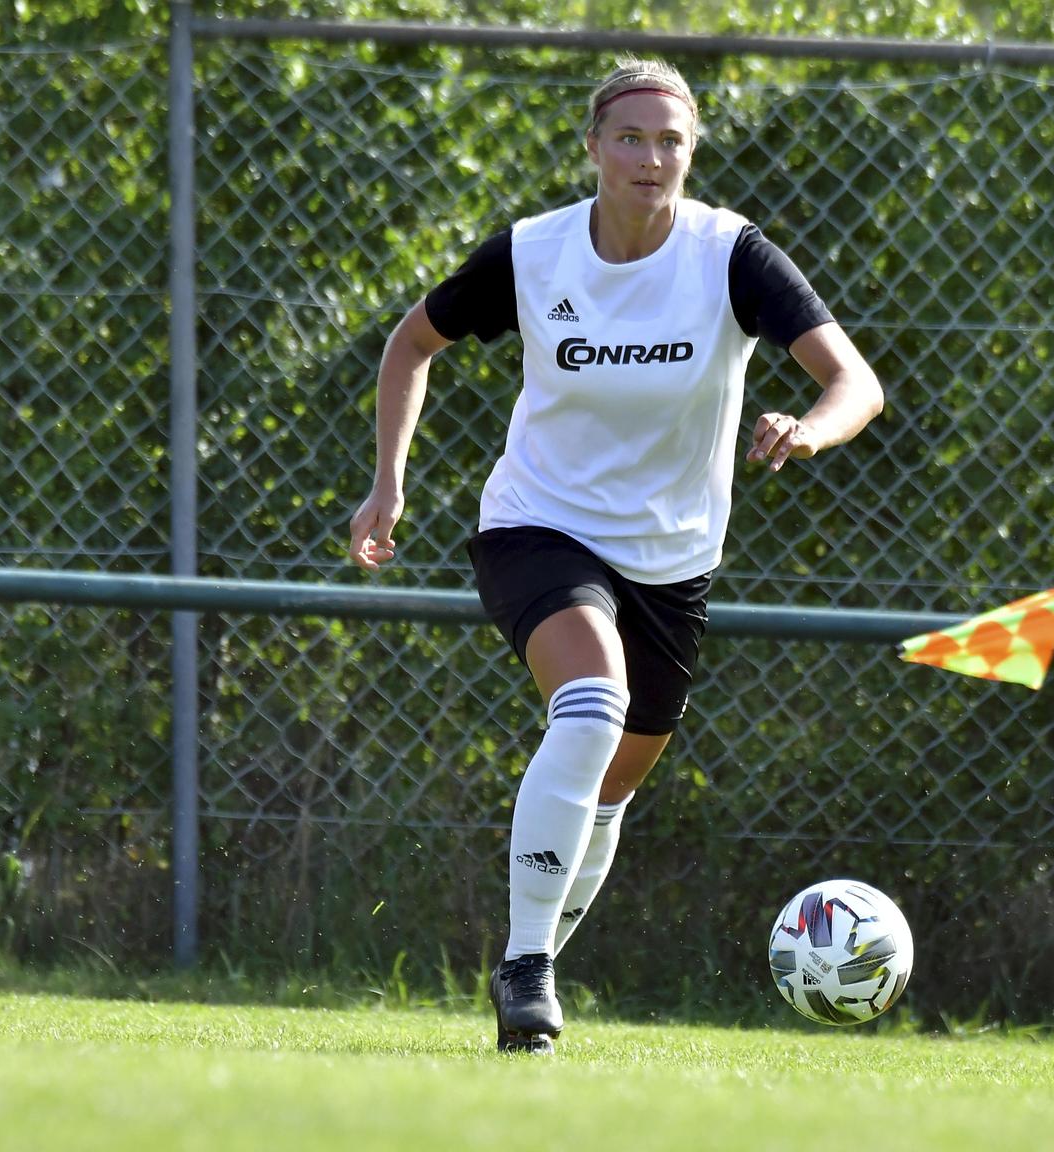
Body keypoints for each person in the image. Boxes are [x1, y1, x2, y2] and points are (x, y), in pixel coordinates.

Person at [347, 58, 884, 1055]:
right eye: (629, 138)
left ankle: (535, 958)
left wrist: (809, 429)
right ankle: (525, 972)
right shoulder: (533, 253)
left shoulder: (729, 256)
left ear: (691, 153)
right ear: (592, 147)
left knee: (610, 789)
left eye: (669, 140)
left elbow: (854, 381)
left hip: (671, 560)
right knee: (587, 706)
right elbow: (409, 345)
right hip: (538, 526)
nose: (649, 157)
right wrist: (388, 481)